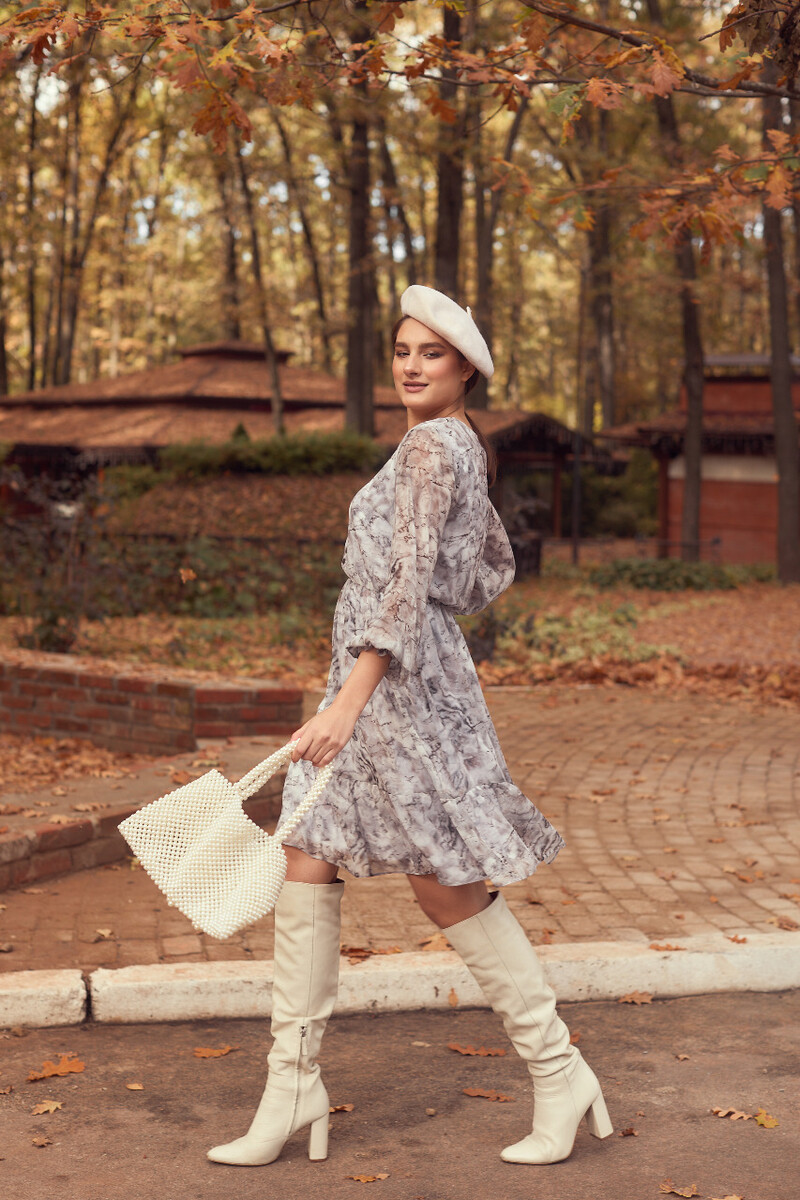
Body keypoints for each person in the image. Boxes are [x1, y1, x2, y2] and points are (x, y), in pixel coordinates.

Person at [207, 286, 613, 1169]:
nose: (411, 366)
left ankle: (561, 1072)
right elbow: (487, 567)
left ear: (466, 369)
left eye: (432, 353)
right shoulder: (454, 444)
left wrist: (348, 702)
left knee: (443, 884)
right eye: (402, 351)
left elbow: (410, 579)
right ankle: (291, 1086)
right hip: (382, 674)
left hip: (393, 688)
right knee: (307, 854)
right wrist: (357, 679)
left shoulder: (432, 447)